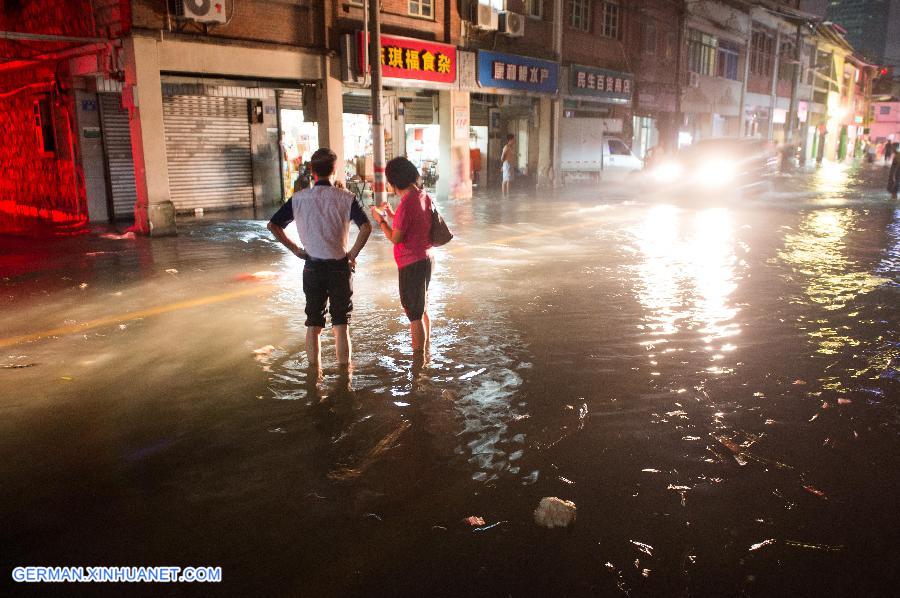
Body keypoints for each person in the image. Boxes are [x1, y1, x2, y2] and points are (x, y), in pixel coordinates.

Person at [267, 148, 372, 367]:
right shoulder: (347, 198)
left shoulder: (299, 199)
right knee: (341, 325)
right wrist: (352, 254)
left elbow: (273, 225)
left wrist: (295, 249)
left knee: (313, 325)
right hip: (340, 268)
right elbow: (366, 227)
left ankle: (315, 377)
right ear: (335, 170)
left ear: (312, 171)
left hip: (312, 267)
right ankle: (345, 379)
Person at [369, 157, 434, 355]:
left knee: (414, 315)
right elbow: (411, 224)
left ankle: (418, 363)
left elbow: (397, 237)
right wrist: (391, 214)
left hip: (411, 263)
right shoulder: (423, 196)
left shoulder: (407, 203)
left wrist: (381, 221)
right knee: (422, 308)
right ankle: (427, 351)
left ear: (394, 182)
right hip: (426, 259)